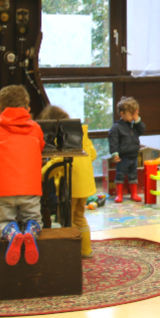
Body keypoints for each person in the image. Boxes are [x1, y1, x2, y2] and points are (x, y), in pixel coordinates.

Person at [0, 85, 45, 266]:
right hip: (29, 187)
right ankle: (30, 232)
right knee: (33, 219)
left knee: (4, 220)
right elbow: (40, 147)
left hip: (2, 189)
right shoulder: (35, 128)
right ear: (28, 109)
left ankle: (13, 233)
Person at [40, 106, 98, 258]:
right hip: (86, 185)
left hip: (71, 186)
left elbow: (58, 161)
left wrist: (42, 174)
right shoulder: (82, 135)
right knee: (80, 216)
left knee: (67, 218)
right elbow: (93, 155)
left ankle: (70, 252)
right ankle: (86, 250)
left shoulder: (62, 139)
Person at [109, 97, 144, 203]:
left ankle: (134, 194)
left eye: (134, 114)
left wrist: (137, 119)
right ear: (122, 113)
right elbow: (113, 141)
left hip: (134, 155)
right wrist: (114, 153)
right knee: (120, 175)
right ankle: (119, 194)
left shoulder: (135, 125)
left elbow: (142, 130)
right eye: (131, 114)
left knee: (133, 175)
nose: (133, 117)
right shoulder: (116, 127)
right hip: (123, 156)